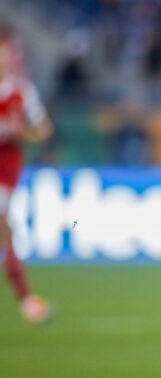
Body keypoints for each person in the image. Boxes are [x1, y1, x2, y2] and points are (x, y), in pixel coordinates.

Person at [0, 36, 53, 323]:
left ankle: (26, 298)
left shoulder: (22, 91)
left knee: (4, 225)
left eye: (7, 54)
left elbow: (43, 129)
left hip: (5, 172)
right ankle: (26, 298)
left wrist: (22, 134)